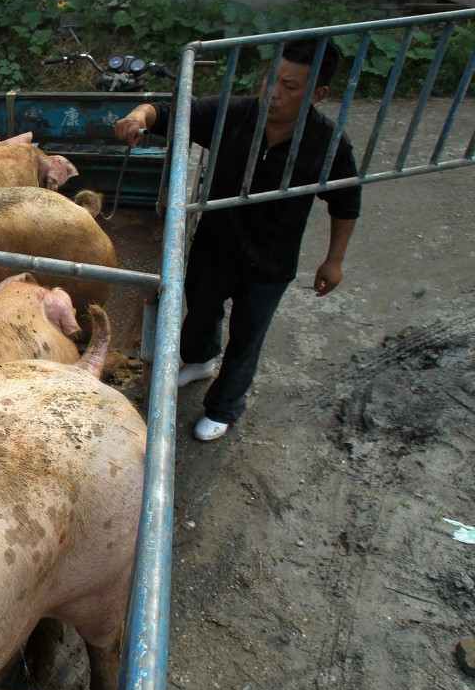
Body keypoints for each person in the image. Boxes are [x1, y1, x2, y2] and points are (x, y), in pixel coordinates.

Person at [114, 38, 361, 442]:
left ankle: (225, 406)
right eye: (271, 80)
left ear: (318, 94)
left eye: (290, 86)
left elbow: (346, 200)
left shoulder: (328, 143)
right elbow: (171, 114)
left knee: (248, 336)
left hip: (271, 259)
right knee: (200, 311)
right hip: (216, 245)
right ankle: (198, 360)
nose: (274, 94)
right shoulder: (235, 113)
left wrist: (335, 259)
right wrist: (139, 114)